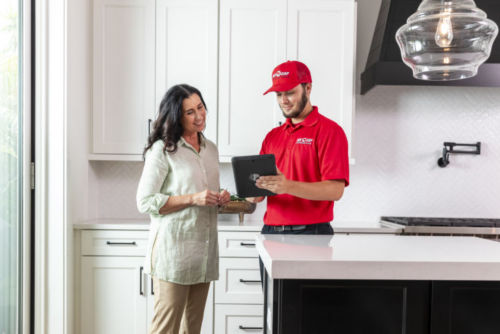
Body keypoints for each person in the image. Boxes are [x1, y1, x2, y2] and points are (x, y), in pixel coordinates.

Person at [136, 84, 230, 334]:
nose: (199, 116)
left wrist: (220, 199)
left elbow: (205, 199)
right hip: (173, 257)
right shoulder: (164, 150)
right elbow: (145, 201)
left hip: (204, 256)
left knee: (193, 330)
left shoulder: (211, 149)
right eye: (190, 112)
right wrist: (192, 198)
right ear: (176, 116)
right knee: (165, 330)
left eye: (200, 107)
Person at [249, 60, 350, 279]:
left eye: (290, 93)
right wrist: (253, 194)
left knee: (308, 309)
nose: (283, 100)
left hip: (312, 236)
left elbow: (335, 191)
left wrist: (288, 186)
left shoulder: (330, 132)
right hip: (270, 234)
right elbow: (260, 193)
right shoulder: (272, 137)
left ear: (308, 88)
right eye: (278, 94)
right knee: (272, 309)